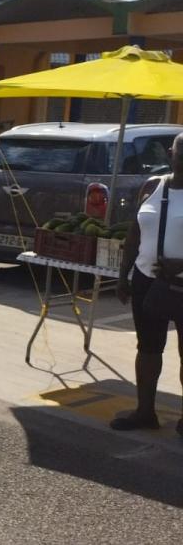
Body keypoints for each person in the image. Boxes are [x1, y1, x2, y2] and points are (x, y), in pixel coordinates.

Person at [111, 132, 183, 437]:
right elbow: (134, 234)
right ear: (171, 153)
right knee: (149, 348)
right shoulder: (152, 186)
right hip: (146, 280)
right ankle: (145, 412)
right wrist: (123, 274)